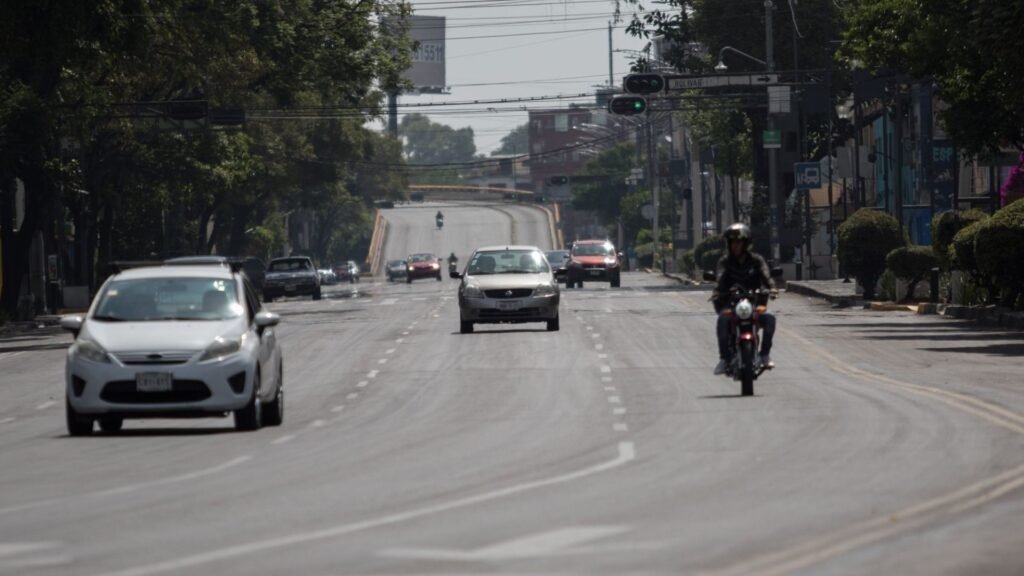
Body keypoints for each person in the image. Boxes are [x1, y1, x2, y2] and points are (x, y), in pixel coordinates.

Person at [713, 223, 778, 375]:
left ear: (745, 244)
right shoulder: (725, 261)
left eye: (738, 242)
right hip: (731, 303)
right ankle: (724, 359)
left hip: (754, 303)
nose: (735, 245)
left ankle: (765, 355)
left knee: (770, 319)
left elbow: (766, 275)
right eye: (732, 242)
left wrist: (772, 288)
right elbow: (720, 276)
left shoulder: (756, 260)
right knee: (722, 320)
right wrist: (718, 290)